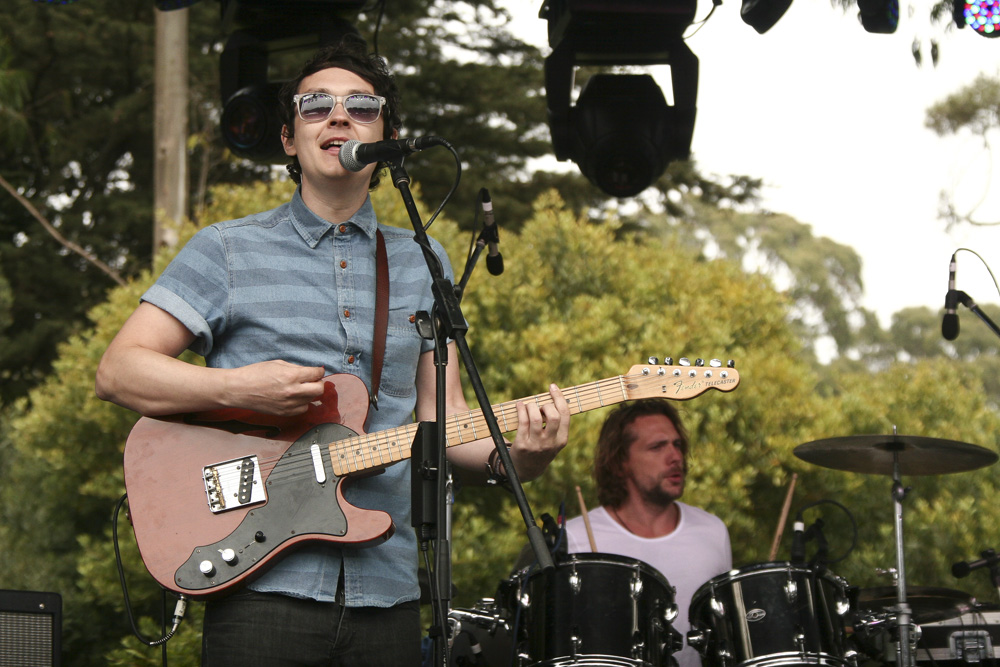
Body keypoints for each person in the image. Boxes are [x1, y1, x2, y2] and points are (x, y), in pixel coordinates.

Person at [95, 34, 570, 667]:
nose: (339, 116)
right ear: (289, 138)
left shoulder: (425, 261)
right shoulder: (228, 250)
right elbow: (119, 370)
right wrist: (237, 389)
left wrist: (523, 458)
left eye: (362, 106)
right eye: (315, 104)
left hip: (391, 587)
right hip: (260, 583)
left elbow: (443, 421)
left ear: (385, 136)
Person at [564, 399, 731, 667]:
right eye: (657, 447)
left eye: (677, 445)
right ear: (620, 463)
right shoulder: (575, 538)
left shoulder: (713, 531)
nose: (676, 457)